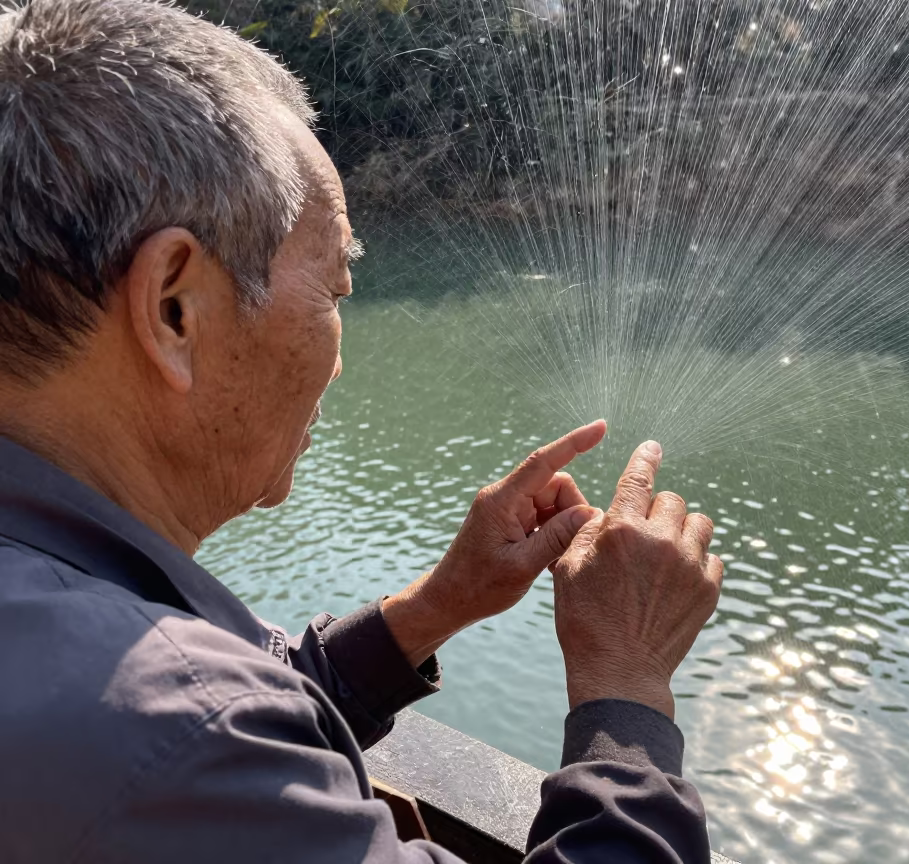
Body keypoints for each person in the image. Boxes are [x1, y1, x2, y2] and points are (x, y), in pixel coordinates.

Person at [0, 1, 725, 862]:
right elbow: (194, 734)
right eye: (337, 289)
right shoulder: (177, 737)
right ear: (174, 307)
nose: (339, 362)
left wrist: (436, 608)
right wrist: (627, 687)